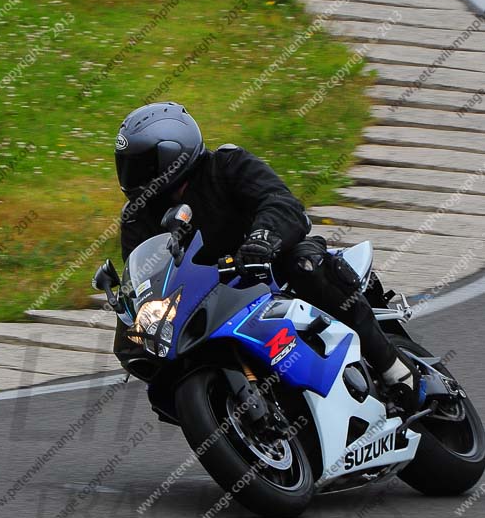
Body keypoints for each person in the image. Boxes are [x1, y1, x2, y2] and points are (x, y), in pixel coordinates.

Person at [112, 101, 419, 414]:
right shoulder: (138, 217)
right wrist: (133, 307)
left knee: (305, 266)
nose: (132, 176)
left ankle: (392, 366)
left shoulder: (227, 165)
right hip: (209, 301)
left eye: (144, 165)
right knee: (157, 361)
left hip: (271, 267)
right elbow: (144, 273)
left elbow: (281, 203)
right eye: (127, 164)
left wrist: (262, 239)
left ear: (174, 155)